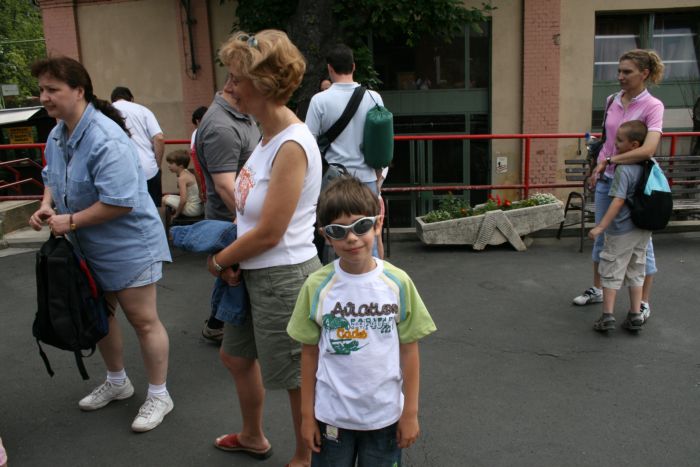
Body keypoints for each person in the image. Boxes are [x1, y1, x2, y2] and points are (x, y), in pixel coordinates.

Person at [28, 57, 173, 432]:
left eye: (52, 89)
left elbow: (120, 202)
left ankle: (160, 395)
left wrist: (70, 220)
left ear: (79, 91)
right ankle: (117, 382)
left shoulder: (106, 138)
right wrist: (47, 205)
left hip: (129, 245)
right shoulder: (58, 134)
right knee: (100, 316)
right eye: (41, 89)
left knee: (143, 320)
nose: (44, 97)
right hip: (86, 245)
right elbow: (51, 176)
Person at [203, 30, 322, 467]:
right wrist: (234, 259)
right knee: (236, 356)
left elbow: (272, 232)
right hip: (253, 270)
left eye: (236, 78)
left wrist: (220, 260)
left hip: (282, 275)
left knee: (295, 376)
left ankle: (305, 458)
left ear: (264, 84)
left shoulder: (291, 144)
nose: (229, 87)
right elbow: (254, 217)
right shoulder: (265, 136)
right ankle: (253, 435)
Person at [287, 177, 436, 466]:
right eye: (338, 231)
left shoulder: (398, 282)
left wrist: (410, 413)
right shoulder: (316, 286)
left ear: (377, 224)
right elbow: (308, 353)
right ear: (326, 236)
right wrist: (306, 416)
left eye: (361, 226)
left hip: (385, 417)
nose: (352, 238)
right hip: (331, 417)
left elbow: (409, 350)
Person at [573, 49, 665, 324]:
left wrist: (610, 160)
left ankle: (643, 303)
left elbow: (648, 149)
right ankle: (599, 289)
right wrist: (597, 165)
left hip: (636, 184)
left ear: (644, 73)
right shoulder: (612, 99)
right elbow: (608, 139)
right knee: (602, 236)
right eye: (619, 71)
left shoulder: (653, 106)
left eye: (627, 72)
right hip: (606, 180)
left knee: (642, 244)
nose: (620, 76)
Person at [195, 54, 261, 343]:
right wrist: (254, 222)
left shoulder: (243, 114)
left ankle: (220, 325)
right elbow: (225, 186)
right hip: (231, 219)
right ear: (233, 84)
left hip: (240, 218)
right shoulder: (221, 126)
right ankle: (222, 327)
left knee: (234, 277)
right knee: (233, 276)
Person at [587, 121, 651, 332]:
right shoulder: (649, 165)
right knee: (636, 269)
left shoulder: (623, 170)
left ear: (634, 145)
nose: (615, 144)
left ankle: (607, 316)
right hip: (642, 228)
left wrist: (600, 227)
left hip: (621, 229)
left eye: (620, 141)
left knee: (611, 270)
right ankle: (635, 314)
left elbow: (618, 201)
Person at [110, 86, 165, 207]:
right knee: (153, 209)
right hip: (148, 169)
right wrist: (157, 165)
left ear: (113, 100)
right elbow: (159, 138)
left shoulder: (107, 112)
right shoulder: (143, 110)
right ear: (132, 99)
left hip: (119, 170)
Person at [162, 149, 203, 219]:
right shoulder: (187, 172)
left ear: (181, 165)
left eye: (171, 163)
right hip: (199, 208)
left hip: (193, 209)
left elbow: (183, 200)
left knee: (163, 199)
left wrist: (176, 215)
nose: (168, 166)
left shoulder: (182, 178)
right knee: (167, 196)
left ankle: (165, 220)